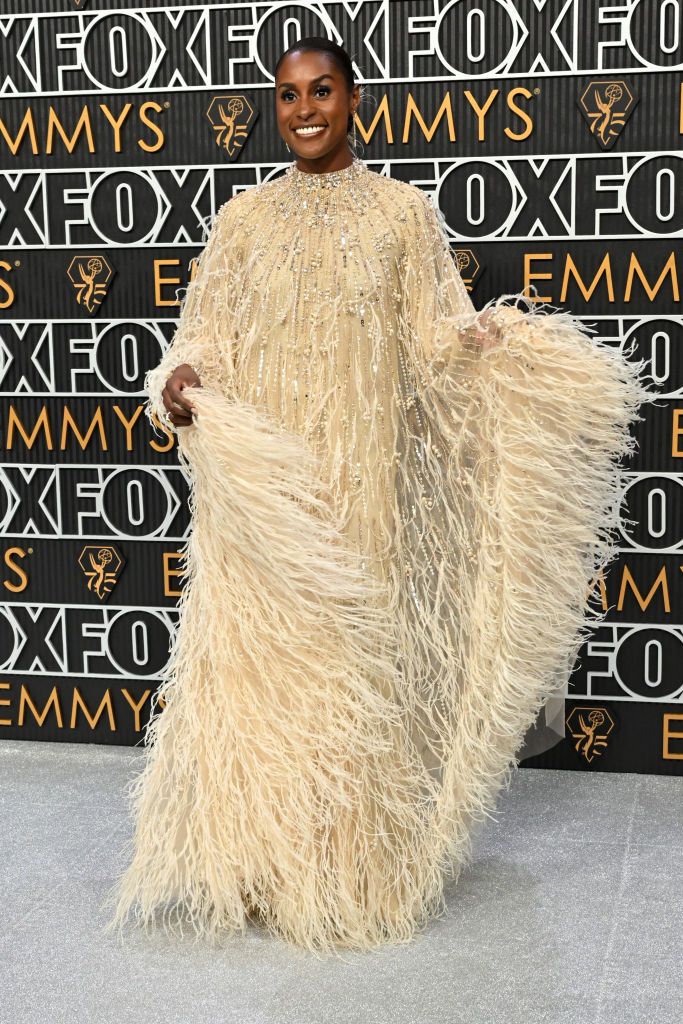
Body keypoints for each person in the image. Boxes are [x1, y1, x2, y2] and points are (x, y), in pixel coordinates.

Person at [104, 38, 652, 955]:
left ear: (353, 99)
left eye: (320, 91)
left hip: (363, 488)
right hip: (267, 498)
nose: (304, 110)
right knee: (269, 673)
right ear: (275, 108)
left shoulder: (402, 213)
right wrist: (182, 377)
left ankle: (348, 875)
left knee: (352, 679)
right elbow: (204, 335)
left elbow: (434, 337)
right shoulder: (242, 220)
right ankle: (263, 864)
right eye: (288, 96)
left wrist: (490, 345)